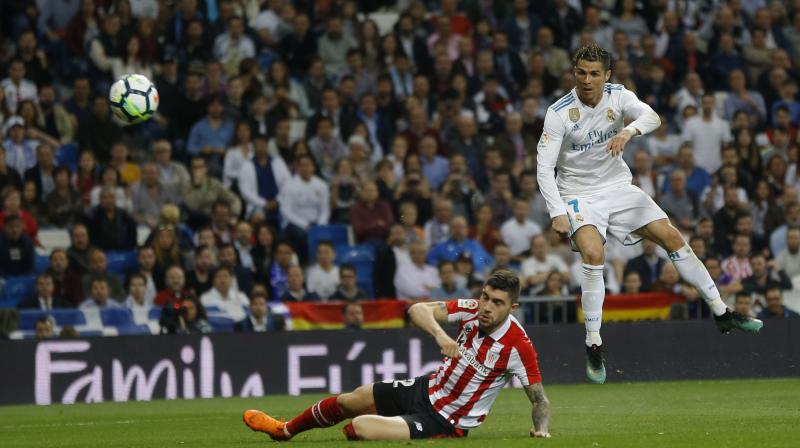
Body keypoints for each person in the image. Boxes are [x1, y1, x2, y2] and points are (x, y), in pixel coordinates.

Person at [536, 44, 762, 384]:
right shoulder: (559, 112)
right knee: (594, 253)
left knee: (672, 236)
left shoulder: (618, 96)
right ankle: (594, 344)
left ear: (606, 76)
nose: (587, 79)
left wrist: (628, 131)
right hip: (578, 194)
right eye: (581, 72)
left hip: (618, 186)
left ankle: (721, 312)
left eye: (594, 73)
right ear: (574, 74)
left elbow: (652, 116)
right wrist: (557, 211)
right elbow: (544, 167)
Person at [243, 270, 550, 441]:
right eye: (484, 296)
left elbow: (539, 399)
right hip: (425, 388)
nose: (485, 306)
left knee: (360, 428)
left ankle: (388, 428)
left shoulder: (517, 346)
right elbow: (416, 309)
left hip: (445, 420)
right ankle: (283, 431)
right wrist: (441, 335)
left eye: (496, 302)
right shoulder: (471, 310)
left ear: (511, 308)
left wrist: (542, 429)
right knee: (351, 400)